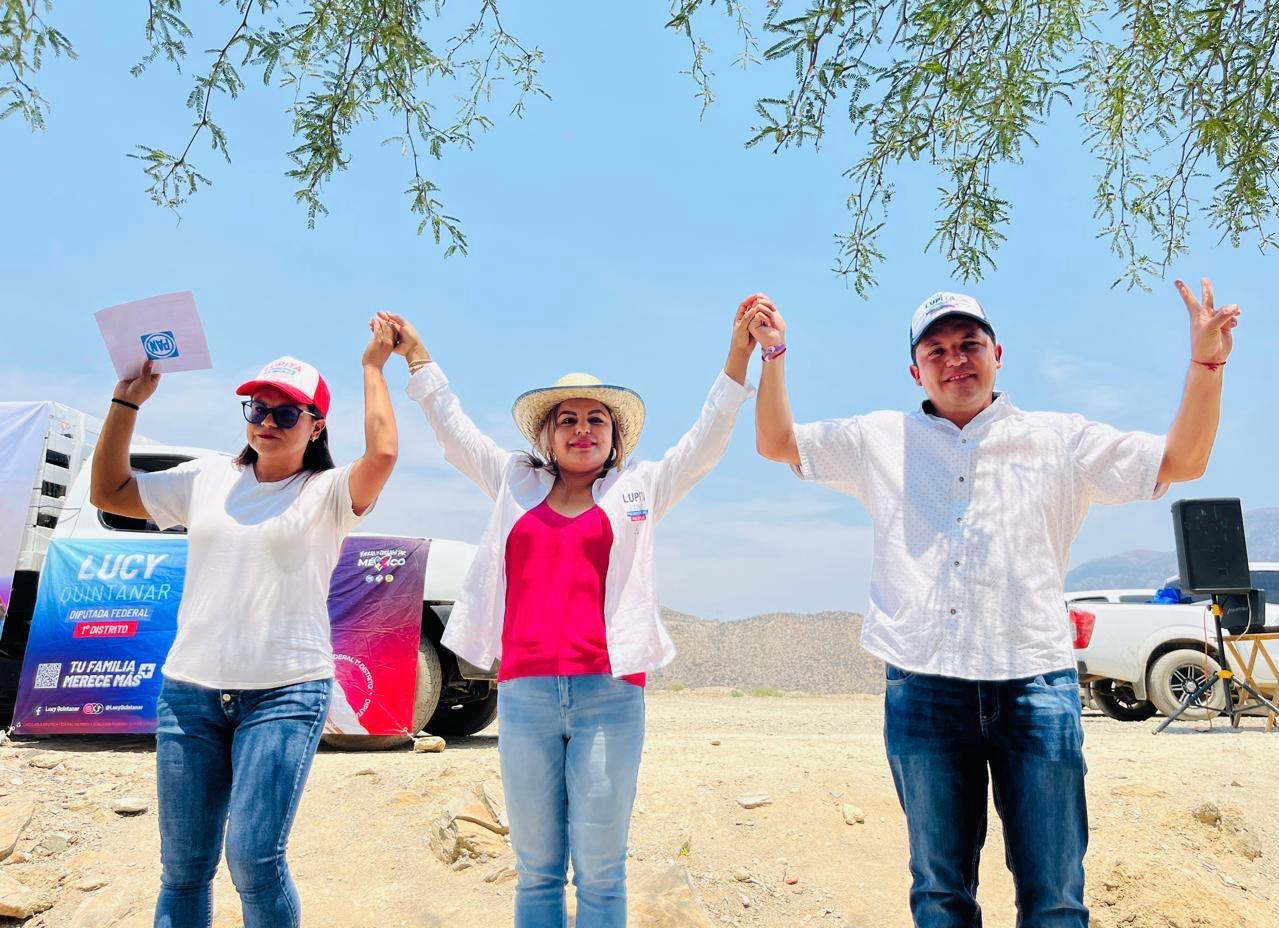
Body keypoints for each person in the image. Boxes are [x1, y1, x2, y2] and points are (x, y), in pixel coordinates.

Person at [751, 281, 1239, 927]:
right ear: (914, 369)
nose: (955, 359)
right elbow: (777, 442)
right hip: (924, 688)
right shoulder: (878, 438)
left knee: (1055, 893)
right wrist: (773, 356)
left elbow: (1184, 459)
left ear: (997, 353)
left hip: (1035, 686)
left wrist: (1206, 364)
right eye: (937, 349)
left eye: (969, 344)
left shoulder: (1060, 439)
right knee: (939, 892)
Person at [378, 304, 756, 927]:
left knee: (603, 872)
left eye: (596, 420)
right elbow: (454, 431)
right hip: (525, 695)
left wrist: (738, 357)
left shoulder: (639, 490)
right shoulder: (514, 484)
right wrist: (418, 358)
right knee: (537, 872)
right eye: (568, 420)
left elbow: (706, 440)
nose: (583, 430)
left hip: (610, 695)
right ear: (547, 435)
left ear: (615, 436)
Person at [90, 321, 400, 928]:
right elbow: (108, 490)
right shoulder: (206, 479)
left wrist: (373, 366)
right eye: (258, 406)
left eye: (288, 413)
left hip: (285, 693)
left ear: (316, 427)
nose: (267, 420)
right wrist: (126, 401)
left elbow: (384, 453)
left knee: (254, 860)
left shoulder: (331, 491)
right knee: (183, 869)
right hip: (190, 693)